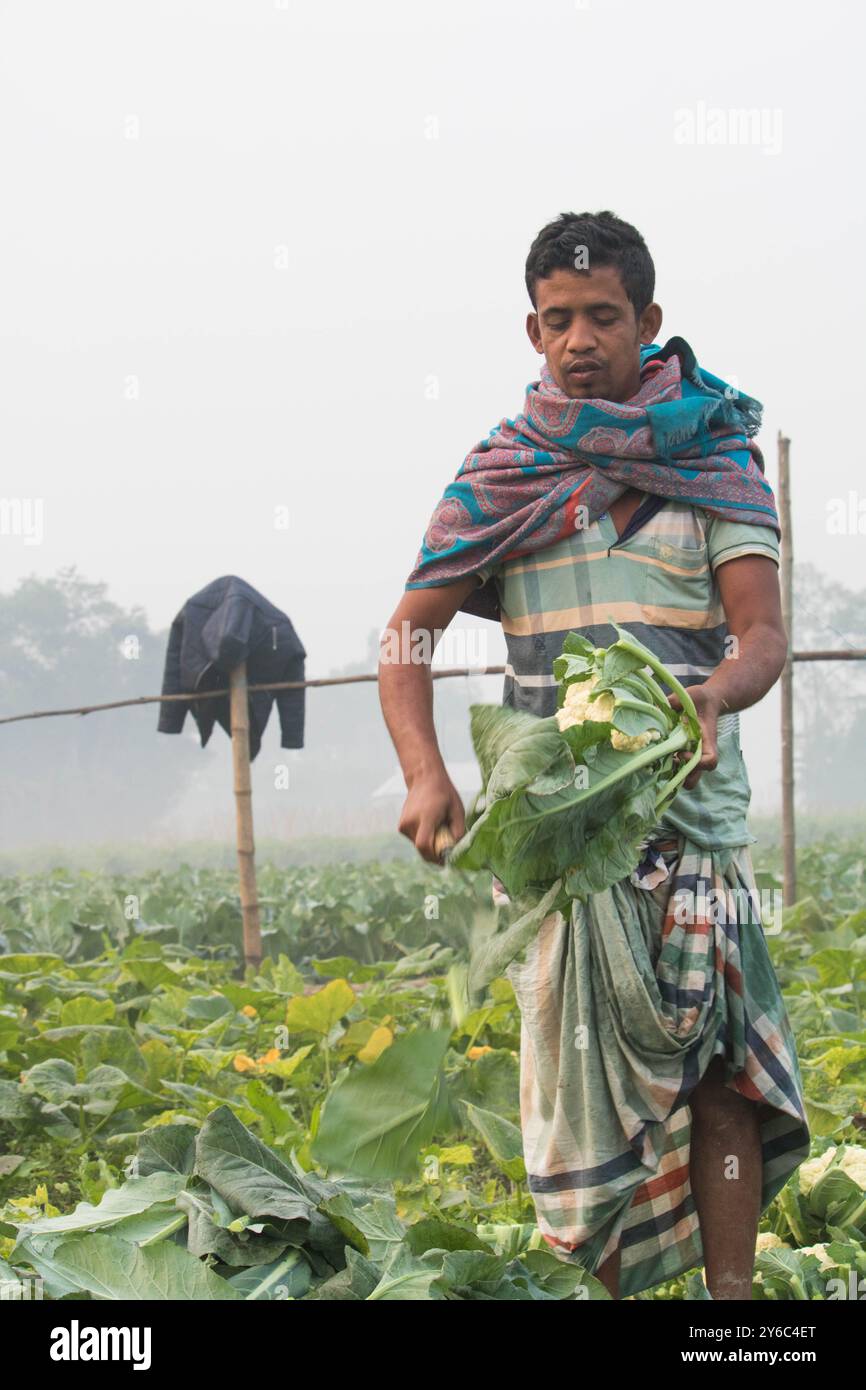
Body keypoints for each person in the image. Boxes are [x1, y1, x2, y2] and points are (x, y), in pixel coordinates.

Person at [377, 210, 809, 1300]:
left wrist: (709, 694)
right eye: (558, 319)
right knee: (581, 1090)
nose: (579, 339)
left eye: (602, 316)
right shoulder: (507, 475)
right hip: (562, 840)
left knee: (719, 1076)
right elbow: (405, 634)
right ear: (532, 329)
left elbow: (759, 636)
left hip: (693, 820)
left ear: (647, 320)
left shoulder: (711, 459)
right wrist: (426, 769)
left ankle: (730, 1309)